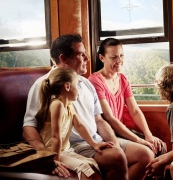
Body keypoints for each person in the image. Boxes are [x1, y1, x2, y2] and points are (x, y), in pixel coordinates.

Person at [23, 34, 154, 180]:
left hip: (95, 140)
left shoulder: (86, 84)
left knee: (145, 155)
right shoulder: (43, 85)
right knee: (116, 157)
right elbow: (29, 126)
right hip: (75, 145)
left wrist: (114, 142)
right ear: (64, 59)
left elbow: (98, 120)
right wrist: (45, 156)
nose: (87, 58)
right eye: (81, 55)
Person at [88, 38, 166, 156]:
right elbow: (109, 117)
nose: (119, 60)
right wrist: (139, 140)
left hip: (121, 131)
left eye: (121, 56)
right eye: (114, 57)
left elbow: (134, 111)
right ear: (101, 58)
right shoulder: (95, 80)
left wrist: (148, 134)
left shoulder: (123, 79)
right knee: (148, 151)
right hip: (106, 134)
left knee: (160, 146)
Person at [36, 67, 113, 179]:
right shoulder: (57, 105)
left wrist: (94, 144)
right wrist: (55, 162)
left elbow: (79, 125)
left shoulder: (68, 105)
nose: (79, 89)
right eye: (77, 85)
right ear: (67, 86)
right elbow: (56, 136)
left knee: (93, 164)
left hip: (66, 150)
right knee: (86, 169)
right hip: (52, 152)